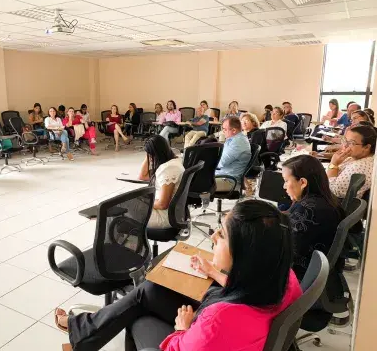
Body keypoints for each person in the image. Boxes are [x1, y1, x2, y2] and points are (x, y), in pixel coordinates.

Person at [54, 199, 302, 351]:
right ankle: (82, 331)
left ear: (246, 255)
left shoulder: (218, 320)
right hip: (232, 329)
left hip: (205, 333)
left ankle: (82, 332)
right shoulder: (282, 276)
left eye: (223, 235)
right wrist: (213, 270)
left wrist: (184, 328)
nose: (214, 237)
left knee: (138, 313)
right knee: (149, 289)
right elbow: (248, 288)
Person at [281, 155, 345, 280]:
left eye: (286, 180)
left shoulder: (308, 209)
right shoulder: (321, 201)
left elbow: (285, 249)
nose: (284, 186)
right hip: (314, 269)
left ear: (303, 182)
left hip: (299, 274)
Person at [137, 135, 184, 228]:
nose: (150, 158)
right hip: (171, 213)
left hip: (164, 217)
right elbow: (142, 176)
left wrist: (145, 202)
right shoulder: (175, 160)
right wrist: (149, 155)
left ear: (156, 154)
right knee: (122, 206)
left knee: (122, 209)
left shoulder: (168, 169)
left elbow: (163, 204)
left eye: (150, 155)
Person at [327, 125, 376, 198]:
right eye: (345, 141)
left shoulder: (359, 167)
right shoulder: (356, 157)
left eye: (351, 143)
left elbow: (334, 191)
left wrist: (333, 164)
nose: (346, 146)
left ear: (366, 147)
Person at [215, 117, 251, 192]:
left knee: (190, 182)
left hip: (228, 181)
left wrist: (205, 162)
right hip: (222, 176)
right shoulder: (233, 139)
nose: (223, 131)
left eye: (225, 129)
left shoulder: (238, 143)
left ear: (234, 130)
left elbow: (221, 163)